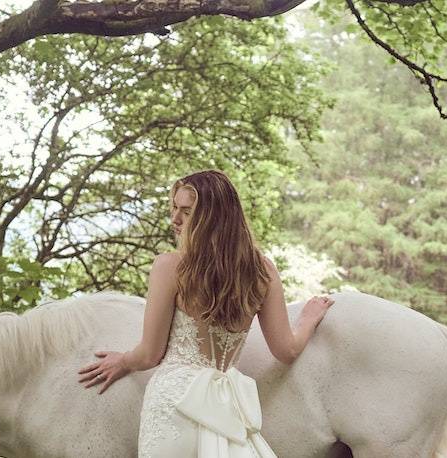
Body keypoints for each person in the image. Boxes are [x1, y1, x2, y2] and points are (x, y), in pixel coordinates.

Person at [77, 169, 334, 457]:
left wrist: (123, 360)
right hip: (226, 407)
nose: (174, 219)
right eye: (174, 207)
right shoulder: (263, 272)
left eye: (186, 212)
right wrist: (307, 321)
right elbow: (287, 350)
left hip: (174, 403)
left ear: (213, 217)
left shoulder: (170, 267)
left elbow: (150, 354)